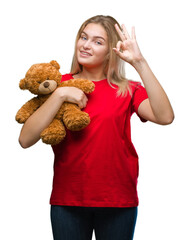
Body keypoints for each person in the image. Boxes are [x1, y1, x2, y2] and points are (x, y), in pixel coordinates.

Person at [18, 15, 174, 240]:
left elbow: (165, 116)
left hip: (118, 199)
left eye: (97, 41)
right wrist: (60, 95)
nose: (86, 45)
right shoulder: (55, 84)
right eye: (84, 37)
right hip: (68, 199)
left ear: (111, 51)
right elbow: (25, 139)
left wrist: (139, 62)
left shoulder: (127, 89)